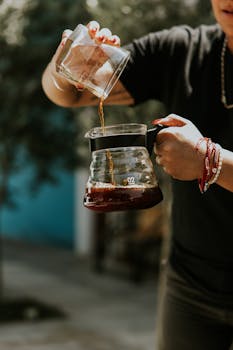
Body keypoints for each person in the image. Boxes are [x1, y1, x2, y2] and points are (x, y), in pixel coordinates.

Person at [42, 1, 233, 348]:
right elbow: (68, 95)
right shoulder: (183, 50)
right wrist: (67, 67)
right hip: (190, 284)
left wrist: (211, 161)